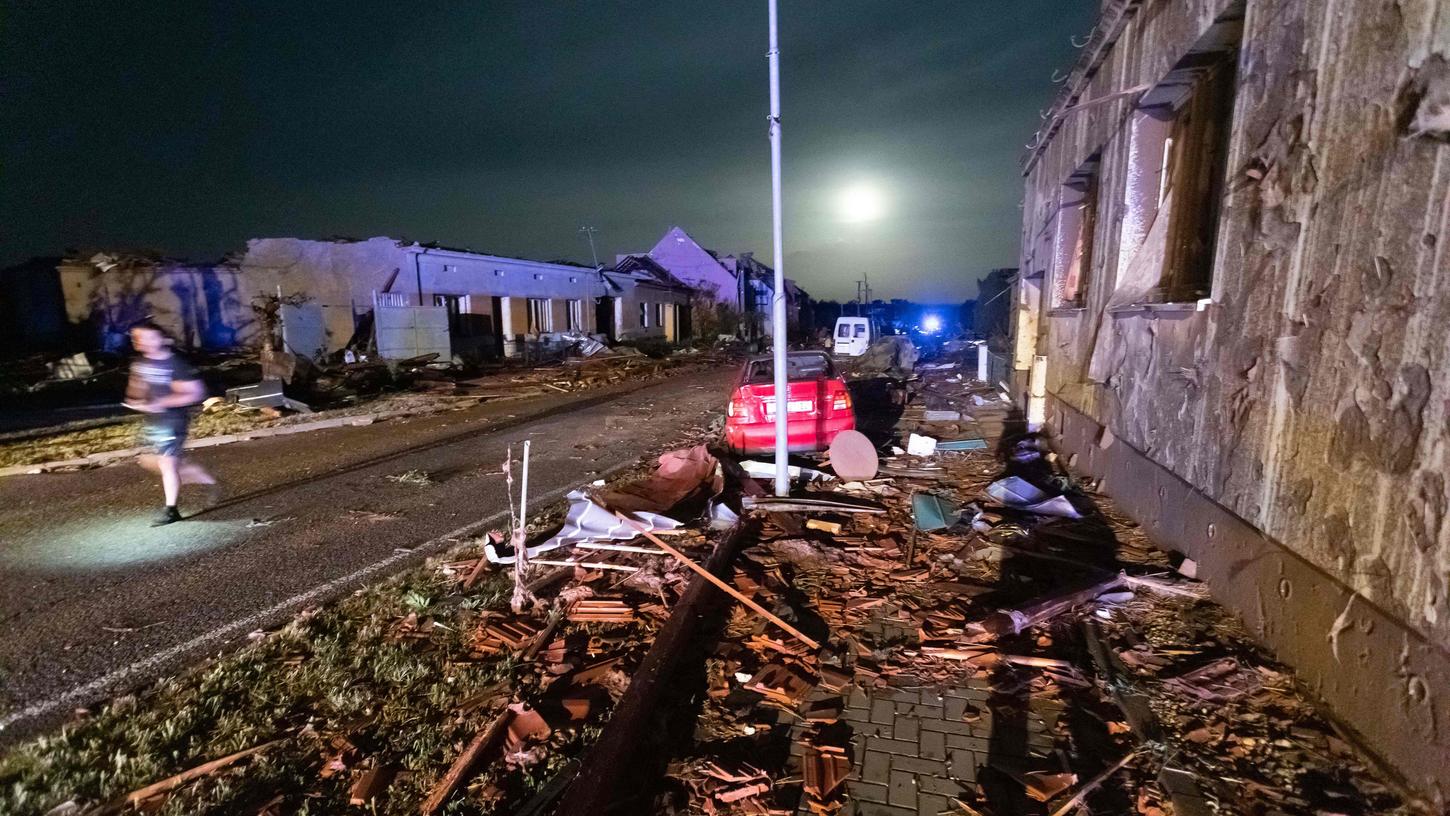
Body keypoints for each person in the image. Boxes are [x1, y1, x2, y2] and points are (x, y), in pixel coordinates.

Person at [124, 321, 218, 525]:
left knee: (167, 464)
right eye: (136, 337)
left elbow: (196, 393)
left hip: (173, 421)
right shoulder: (140, 364)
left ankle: (171, 510)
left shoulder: (175, 364)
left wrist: (162, 402)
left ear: (160, 339)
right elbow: (135, 389)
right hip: (152, 421)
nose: (141, 342)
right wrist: (136, 400)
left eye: (147, 337)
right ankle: (190, 472)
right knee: (146, 460)